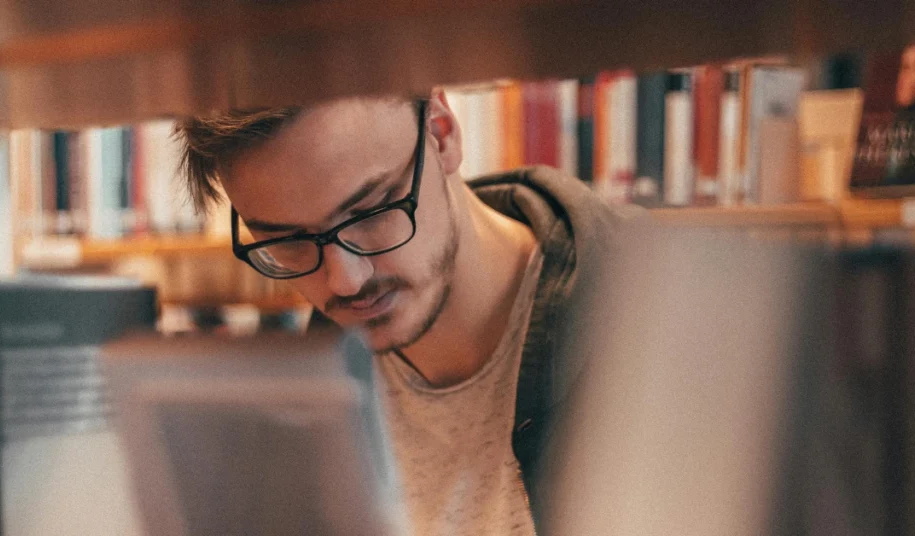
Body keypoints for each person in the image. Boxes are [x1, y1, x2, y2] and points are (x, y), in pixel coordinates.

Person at [176, 90, 637, 535]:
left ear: (441, 132)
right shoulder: (318, 389)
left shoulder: (651, 325)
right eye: (289, 242)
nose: (345, 281)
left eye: (371, 210)